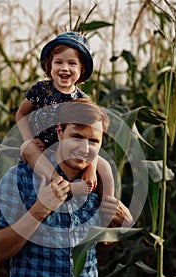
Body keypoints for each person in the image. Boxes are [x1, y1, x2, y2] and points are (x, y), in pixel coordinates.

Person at [0, 99, 133, 277]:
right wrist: (39, 210)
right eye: (76, 137)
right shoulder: (18, 179)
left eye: (94, 141)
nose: (84, 148)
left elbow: (93, 253)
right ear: (59, 131)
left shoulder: (98, 185)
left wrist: (116, 230)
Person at [16, 31, 114, 197]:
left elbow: (92, 134)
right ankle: (60, 183)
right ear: (50, 65)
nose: (64, 68)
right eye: (58, 62)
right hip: (43, 148)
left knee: (104, 165)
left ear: (82, 69)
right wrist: (31, 139)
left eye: (72, 63)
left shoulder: (82, 99)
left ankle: (109, 205)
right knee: (26, 148)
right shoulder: (40, 90)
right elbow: (21, 114)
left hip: (71, 150)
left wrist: (90, 167)